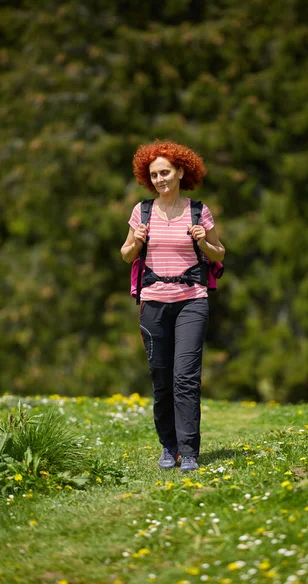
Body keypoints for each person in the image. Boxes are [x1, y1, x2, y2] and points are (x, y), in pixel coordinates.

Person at [121, 140, 225, 472]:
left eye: (165, 172)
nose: (160, 179)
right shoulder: (142, 211)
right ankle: (168, 447)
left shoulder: (198, 211)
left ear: (180, 171)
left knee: (186, 378)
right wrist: (136, 239)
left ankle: (189, 452)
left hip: (192, 300)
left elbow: (219, 253)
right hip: (153, 303)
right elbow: (125, 255)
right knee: (162, 378)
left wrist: (203, 241)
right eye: (154, 175)